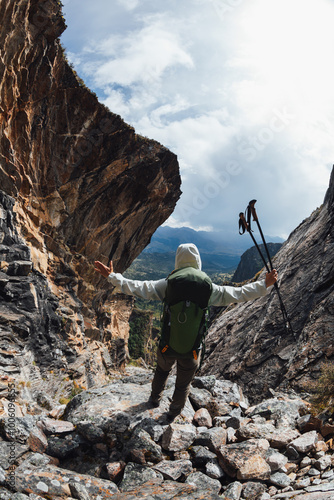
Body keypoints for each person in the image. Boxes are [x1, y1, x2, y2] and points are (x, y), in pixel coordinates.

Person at [95, 243, 278, 420]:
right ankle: (173, 413)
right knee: (183, 385)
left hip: (167, 345)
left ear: (178, 261)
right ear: (198, 261)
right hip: (192, 349)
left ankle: (154, 400)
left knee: (161, 371)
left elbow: (138, 287)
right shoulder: (208, 288)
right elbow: (239, 293)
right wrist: (264, 284)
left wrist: (112, 277)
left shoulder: (168, 284)